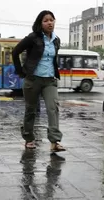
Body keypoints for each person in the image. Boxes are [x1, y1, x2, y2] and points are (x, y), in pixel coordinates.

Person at [12, 10, 65, 152]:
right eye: (46, 20)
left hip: (50, 80)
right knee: (31, 110)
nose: (49, 23)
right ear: (40, 23)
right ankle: (29, 138)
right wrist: (20, 71)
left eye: (52, 20)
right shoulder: (33, 38)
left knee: (52, 108)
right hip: (33, 80)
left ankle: (54, 141)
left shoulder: (56, 40)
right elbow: (15, 51)